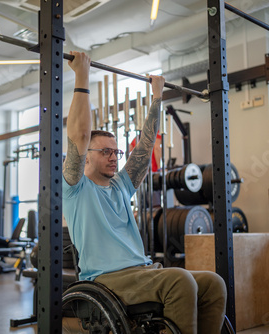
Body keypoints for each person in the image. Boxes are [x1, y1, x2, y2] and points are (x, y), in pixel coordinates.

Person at [62, 51, 227, 334]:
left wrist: (156, 98)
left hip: (142, 272)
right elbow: (78, 135)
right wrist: (82, 75)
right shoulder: (75, 187)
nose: (114, 157)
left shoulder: (120, 186)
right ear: (86, 157)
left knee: (214, 283)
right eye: (105, 152)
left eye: (116, 152)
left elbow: (145, 147)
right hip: (107, 279)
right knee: (180, 281)